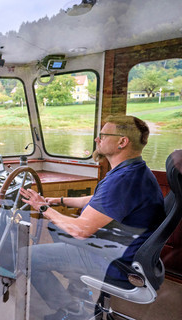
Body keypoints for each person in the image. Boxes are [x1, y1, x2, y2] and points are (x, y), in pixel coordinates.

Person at [19, 115, 165, 320]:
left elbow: (80, 230)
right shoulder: (135, 170)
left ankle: (71, 311)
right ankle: (78, 285)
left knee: (26, 257)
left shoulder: (123, 180)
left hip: (115, 262)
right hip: (125, 249)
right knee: (55, 227)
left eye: (103, 135)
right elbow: (99, 200)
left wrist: (42, 207)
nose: (97, 139)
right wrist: (57, 200)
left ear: (122, 142)